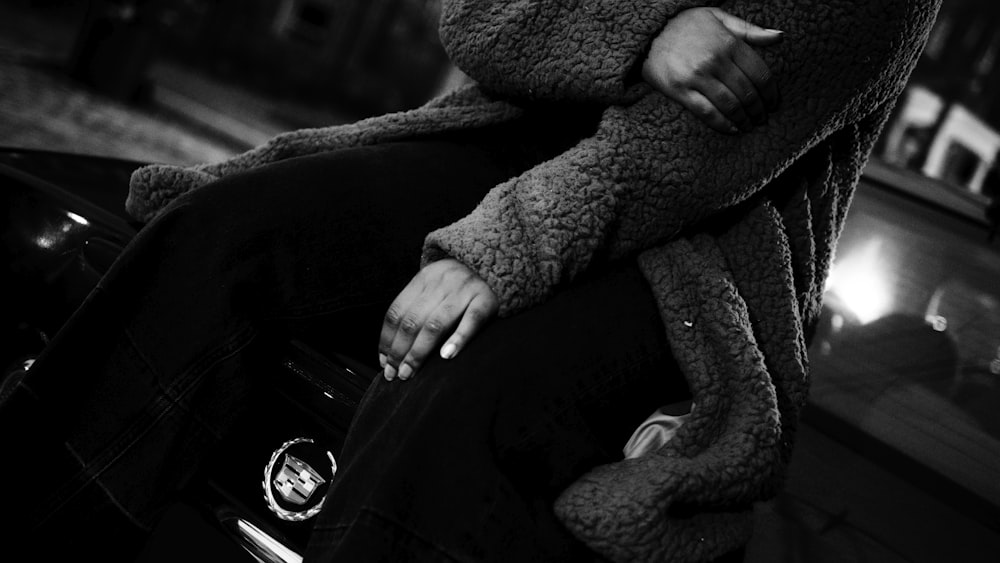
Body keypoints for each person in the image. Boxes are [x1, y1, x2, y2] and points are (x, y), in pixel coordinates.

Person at [0, 0, 940, 561]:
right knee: (221, 234)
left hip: (699, 247)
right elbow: (481, 17)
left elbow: (693, 153)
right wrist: (644, 27)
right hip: (496, 145)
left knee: (470, 391)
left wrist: (500, 251)